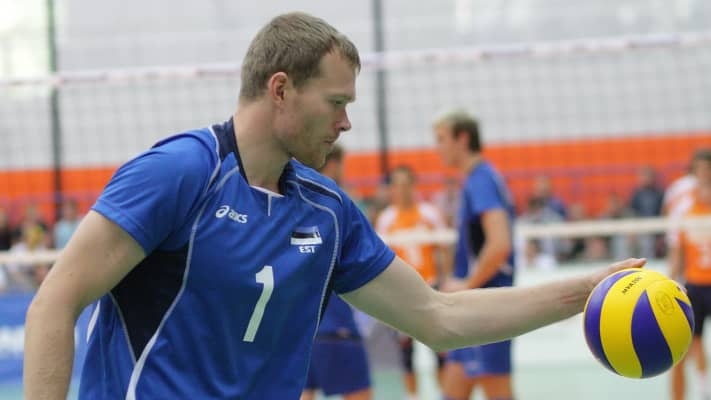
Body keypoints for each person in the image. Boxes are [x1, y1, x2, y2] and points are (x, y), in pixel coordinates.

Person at [23, 12, 646, 399]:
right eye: (336, 103)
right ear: (280, 89)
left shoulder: (327, 212)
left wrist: (583, 292)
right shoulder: (182, 173)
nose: (347, 123)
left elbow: (439, 316)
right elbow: (56, 299)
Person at [432, 110, 518, 400]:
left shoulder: (481, 180)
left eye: (441, 139)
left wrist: (466, 285)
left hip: (487, 307)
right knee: (454, 390)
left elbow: (500, 244)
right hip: (473, 309)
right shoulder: (478, 179)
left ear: (463, 138)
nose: (437, 148)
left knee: (498, 392)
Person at [301, 145, 372, 400]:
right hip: (339, 328)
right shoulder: (338, 205)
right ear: (332, 165)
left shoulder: (298, 202)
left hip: (303, 331)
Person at [375, 165, 450, 399]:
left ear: (413, 186)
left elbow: (445, 248)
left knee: (441, 348)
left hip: (431, 287)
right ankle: (413, 396)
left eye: (406, 184)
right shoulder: (386, 219)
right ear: (391, 189)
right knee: (406, 353)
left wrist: (446, 283)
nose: (402, 189)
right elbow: (382, 258)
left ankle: (443, 394)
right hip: (402, 293)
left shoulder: (429, 214)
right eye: (397, 185)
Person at [670, 149, 711, 400]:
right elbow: (677, 249)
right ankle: (703, 387)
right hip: (695, 284)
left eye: (708, 169)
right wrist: (671, 280)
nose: (704, 174)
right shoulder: (684, 205)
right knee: (691, 342)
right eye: (699, 169)